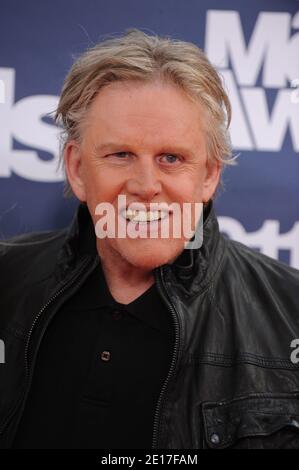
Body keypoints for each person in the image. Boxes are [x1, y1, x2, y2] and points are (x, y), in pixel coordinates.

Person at [1, 29, 299, 450]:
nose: (145, 185)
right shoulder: (6, 282)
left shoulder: (291, 310)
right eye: (120, 155)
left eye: (171, 158)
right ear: (76, 168)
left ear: (210, 174)